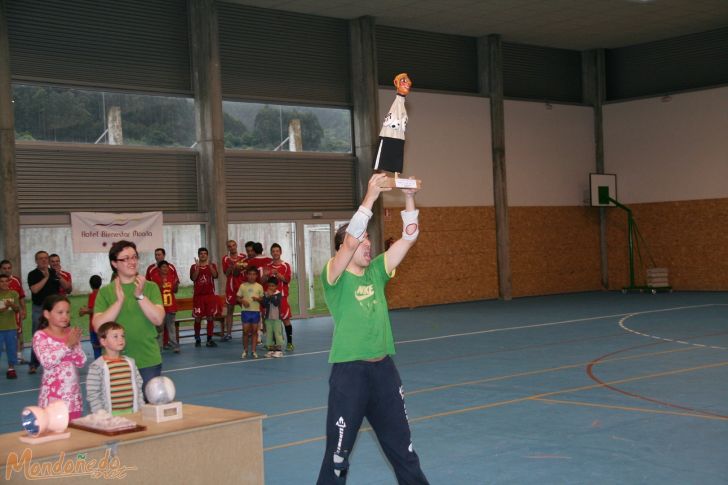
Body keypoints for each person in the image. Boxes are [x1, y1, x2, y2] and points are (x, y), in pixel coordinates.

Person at [317, 172, 429, 484]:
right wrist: (370, 196)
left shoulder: (377, 271)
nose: (368, 244)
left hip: (384, 375)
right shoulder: (333, 277)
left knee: (404, 453)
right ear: (345, 248)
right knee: (337, 459)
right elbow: (352, 237)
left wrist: (408, 195)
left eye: (369, 239)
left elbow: (408, 236)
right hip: (350, 375)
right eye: (363, 240)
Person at [93, 240, 165, 396]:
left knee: (149, 413)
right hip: (116, 362)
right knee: (121, 409)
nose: (132, 262)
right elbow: (98, 326)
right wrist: (119, 302)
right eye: (125, 258)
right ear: (114, 263)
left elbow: (158, 319)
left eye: (134, 257)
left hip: (148, 360)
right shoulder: (106, 292)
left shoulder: (150, 287)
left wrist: (140, 296)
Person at [32, 295, 87, 420]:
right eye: (60, 312)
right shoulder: (41, 336)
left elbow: (81, 361)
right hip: (53, 398)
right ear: (47, 314)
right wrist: (67, 345)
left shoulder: (70, 333)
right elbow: (47, 362)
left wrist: (74, 345)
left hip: (73, 398)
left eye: (67, 312)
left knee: (74, 434)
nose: (65, 316)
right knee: (55, 434)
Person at [86, 321, 145, 415]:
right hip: (109, 416)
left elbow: (138, 387)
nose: (120, 339)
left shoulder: (131, 363)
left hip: (132, 413)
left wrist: (141, 407)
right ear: (103, 341)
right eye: (115, 336)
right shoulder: (97, 366)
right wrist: (100, 413)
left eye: (122, 336)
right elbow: (93, 394)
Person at [27, 250, 62, 374]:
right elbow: (35, 290)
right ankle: (33, 364)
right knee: (37, 336)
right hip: (39, 308)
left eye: (46, 258)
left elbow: (65, 288)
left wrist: (59, 275)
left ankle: (55, 361)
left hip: (53, 309)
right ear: (36, 261)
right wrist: (46, 277)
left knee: (55, 336)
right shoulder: (33, 274)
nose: (44, 260)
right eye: (41, 258)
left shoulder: (54, 273)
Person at [263, 243, 294, 351]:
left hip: (282, 297)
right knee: (273, 321)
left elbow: (287, 280)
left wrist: (277, 274)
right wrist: (265, 275)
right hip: (271, 298)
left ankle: (290, 343)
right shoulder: (268, 266)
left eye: (277, 251)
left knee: (285, 320)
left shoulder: (286, 265)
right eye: (273, 251)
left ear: (280, 252)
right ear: (271, 253)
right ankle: (275, 344)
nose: (275, 253)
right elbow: (262, 281)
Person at [190, 247, 220, 348]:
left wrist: (210, 266)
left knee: (210, 317)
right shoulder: (194, 267)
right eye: (201, 253)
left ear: (207, 255)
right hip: (198, 297)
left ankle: (209, 339)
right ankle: (197, 338)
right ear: (198, 255)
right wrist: (198, 268)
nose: (203, 255)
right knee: (198, 318)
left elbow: (215, 276)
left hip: (209, 296)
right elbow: (193, 278)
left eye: (205, 253)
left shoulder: (212, 266)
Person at [150, 260, 180, 353]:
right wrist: (160, 286)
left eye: (166, 267)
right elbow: (153, 291)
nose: (165, 269)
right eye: (163, 267)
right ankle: (159, 346)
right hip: (160, 307)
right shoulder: (155, 278)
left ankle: (174, 345)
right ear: (159, 269)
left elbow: (175, 291)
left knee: (171, 327)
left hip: (171, 306)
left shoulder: (172, 277)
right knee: (159, 328)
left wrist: (175, 285)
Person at [0, 260, 27, 364]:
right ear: (1, 269)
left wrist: (24, 309)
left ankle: (18, 355)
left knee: (17, 333)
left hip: (13, 315)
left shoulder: (17, 280)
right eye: (4, 268)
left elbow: (21, 297)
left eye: (9, 268)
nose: (7, 270)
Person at [222, 240, 247, 342]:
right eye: (229, 246)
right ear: (228, 248)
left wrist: (237, 267)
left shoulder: (243, 256)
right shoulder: (226, 259)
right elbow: (226, 273)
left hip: (242, 287)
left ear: (236, 246)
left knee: (245, 310)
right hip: (231, 288)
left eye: (233, 245)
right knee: (230, 311)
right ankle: (228, 334)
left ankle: (246, 332)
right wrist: (231, 267)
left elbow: (243, 270)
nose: (232, 247)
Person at [237, 266, 263, 359]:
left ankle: (254, 351)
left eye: (254, 274)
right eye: (250, 274)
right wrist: (243, 301)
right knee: (245, 332)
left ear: (256, 276)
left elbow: (262, 299)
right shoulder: (243, 286)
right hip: (246, 312)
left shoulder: (259, 286)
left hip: (255, 312)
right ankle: (245, 350)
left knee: (255, 331)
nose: (252, 276)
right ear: (247, 275)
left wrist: (258, 299)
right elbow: (238, 298)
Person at [0, 274, 21, 379]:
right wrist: (5, 307)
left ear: (9, 282)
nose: (4, 283)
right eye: (1, 281)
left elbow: (17, 309)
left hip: (11, 327)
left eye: (6, 281)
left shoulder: (14, 294)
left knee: (11, 349)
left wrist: (11, 305)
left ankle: (11, 369)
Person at [79, 275, 103, 359]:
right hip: (102, 326)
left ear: (90, 284)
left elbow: (94, 309)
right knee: (103, 347)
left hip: (94, 327)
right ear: (101, 283)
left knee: (96, 348)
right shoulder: (103, 294)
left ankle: (99, 367)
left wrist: (84, 311)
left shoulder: (93, 295)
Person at [262, 278, 285, 358]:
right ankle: (271, 350)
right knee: (269, 334)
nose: (271, 288)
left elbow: (276, 303)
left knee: (277, 334)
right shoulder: (266, 293)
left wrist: (271, 295)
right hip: (268, 318)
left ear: (276, 286)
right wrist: (267, 296)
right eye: (269, 286)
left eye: (273, 286)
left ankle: (279, 350)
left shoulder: (278, 294)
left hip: (276, 318)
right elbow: (264, 304)